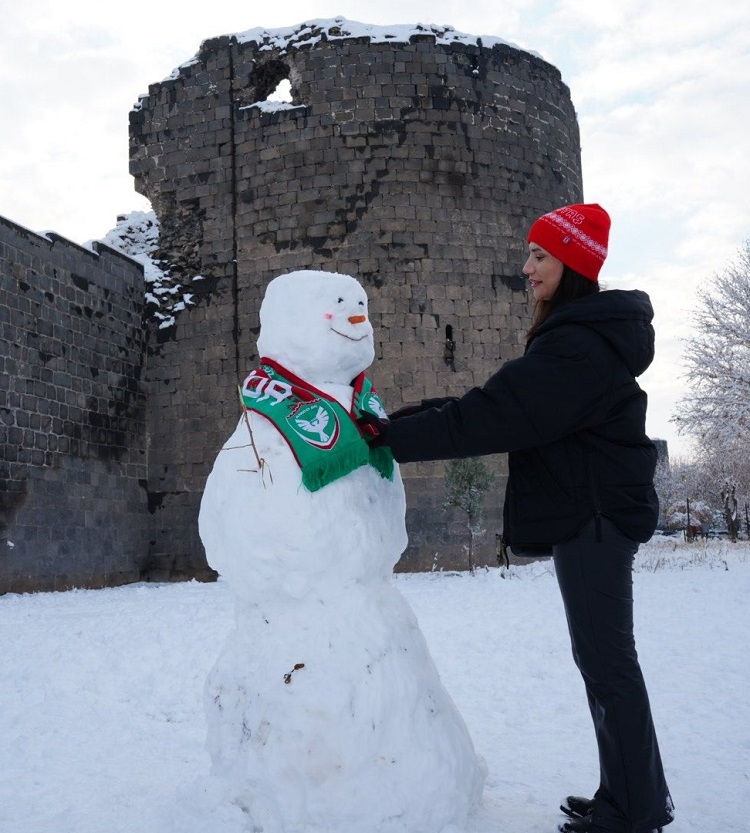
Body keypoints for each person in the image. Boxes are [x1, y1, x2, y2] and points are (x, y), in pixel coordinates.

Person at [359, 203, 675, 833]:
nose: (525, 268)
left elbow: (493, 416)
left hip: (593, 518)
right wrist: (401, 420)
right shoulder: (580, 340)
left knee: (608, 664)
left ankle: (635, 810)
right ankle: (630, 796)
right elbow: (499, 403)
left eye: (539, 256)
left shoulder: (578, 348)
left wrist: (391, 438)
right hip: (591, 515)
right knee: (605, 663)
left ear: (573, 265)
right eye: (528, 254)